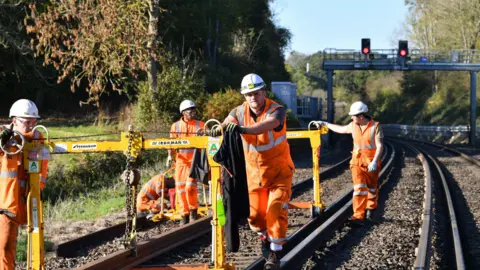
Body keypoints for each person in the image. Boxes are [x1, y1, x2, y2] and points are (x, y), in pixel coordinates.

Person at [207, 73, 295, 270]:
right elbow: (227, 122)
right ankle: (266, 239)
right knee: (254, 218)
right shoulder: (238, 112)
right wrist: (217, 129)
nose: (253, 98)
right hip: (254, 177)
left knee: (275, 211)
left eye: (256, 93)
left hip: (279, 174)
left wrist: (243, 130)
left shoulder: (277, 110)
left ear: (264, 92)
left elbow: (267, 125)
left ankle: (274, 252)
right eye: (248, 95)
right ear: (244, 96)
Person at [314, 101, 384, 227]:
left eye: (354, 115)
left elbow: (380, 146)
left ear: (361, 116)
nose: (351, 118)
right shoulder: (353, 125)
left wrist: (374, 161)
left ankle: (371, 209)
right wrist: (325, 124)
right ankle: (358, 216)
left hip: (371, 163)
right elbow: (341, 129)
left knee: (372, 188)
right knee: (358, 189)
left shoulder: (375, 127)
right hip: (357, 162)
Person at [0, 99, 48, 270]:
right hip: (5, 204)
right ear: (14, 121)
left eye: (34, 122)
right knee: (4, 248)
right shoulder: (3, 137)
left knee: (31, 244)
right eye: (27, 122)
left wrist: (38, 191)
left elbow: (43, 169)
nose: (31, 126)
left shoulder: (38, 138)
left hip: (28, 201)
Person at [168, 100, 205, 225]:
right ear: (183, 112)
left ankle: (193, 211)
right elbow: (171, 143)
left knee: (190, 187)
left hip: (194, 162)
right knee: (180, 188)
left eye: (194, 109)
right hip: (180, 162)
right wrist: (169, 156)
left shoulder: (201, 125)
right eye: (190, 110)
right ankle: (184, 215)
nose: (192, 112)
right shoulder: (176, 126)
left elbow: (209, 141)